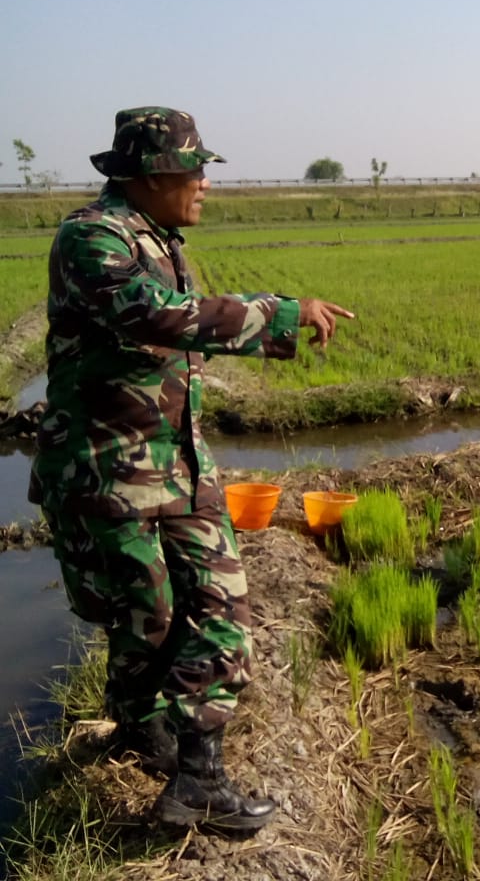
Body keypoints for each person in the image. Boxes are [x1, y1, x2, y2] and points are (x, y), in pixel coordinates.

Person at [28, 107, 355, 831]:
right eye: (194, 169)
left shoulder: (162, 238)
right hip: (108, 472)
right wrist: (275, 313)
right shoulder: (93, 238)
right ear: (152, 174)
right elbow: (153, 317)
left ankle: (196, 772)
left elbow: (173, 334)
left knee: (220, 613)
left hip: (175, 465)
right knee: (144, 620)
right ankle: (147, 735)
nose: (205, 183)